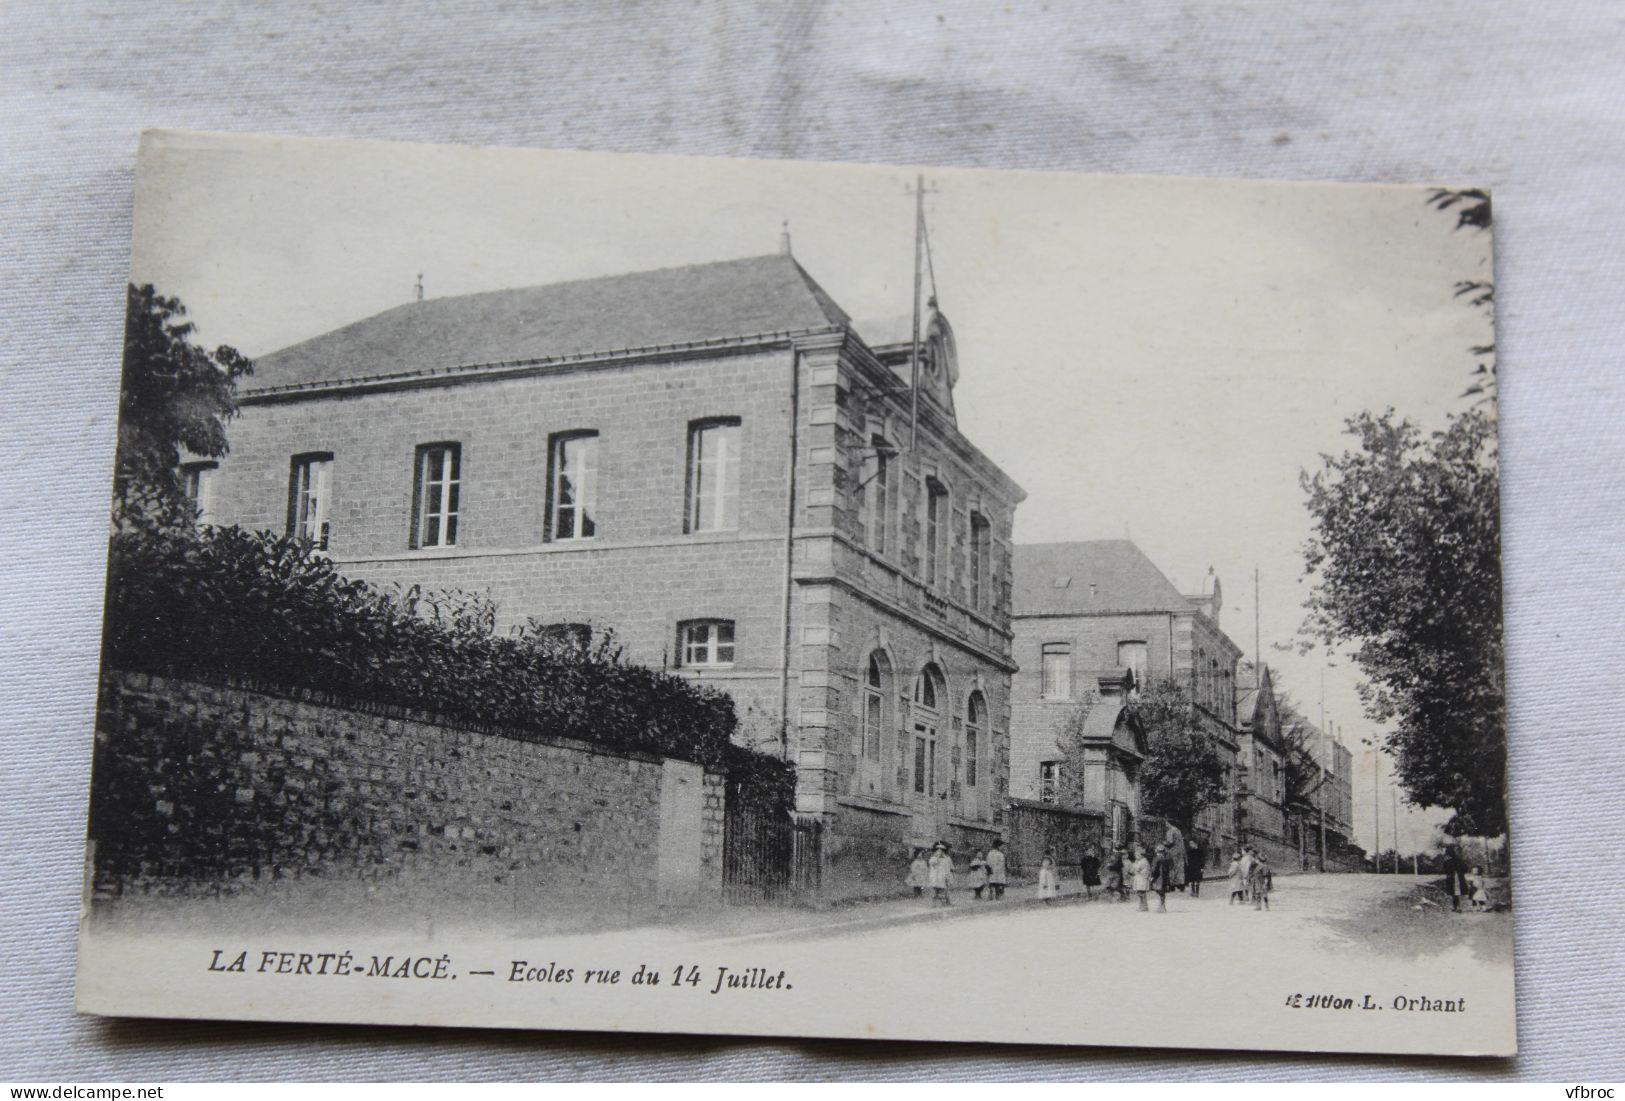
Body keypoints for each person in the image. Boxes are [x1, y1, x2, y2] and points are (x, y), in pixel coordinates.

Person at [1442, 845, 1470, 912]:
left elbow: (1445, 870)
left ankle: (1457, 907)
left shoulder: (1447, 861)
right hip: (1458, 877)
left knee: (1454, 893)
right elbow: (1465, 868)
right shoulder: (1459, 860)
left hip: (1453, 878)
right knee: (1457, 893)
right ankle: (1458, 907)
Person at [927, 840, 954, 907]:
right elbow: (931, 863)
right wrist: (937, 857)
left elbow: (947, 868)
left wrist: (948, 876)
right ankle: (933, 904)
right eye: (938, 850)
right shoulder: (933, 858)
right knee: (934, 891)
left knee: (943, 890)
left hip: (942, 877)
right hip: (935, 877)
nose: (940, 852)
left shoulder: (945, 859)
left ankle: (944, 903)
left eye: (941, 850)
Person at [1127, 843, 1152, 912]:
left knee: (1142, 893)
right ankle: (1142, 905)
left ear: (1141, 855)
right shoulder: (1139, 861)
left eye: (1137, 855)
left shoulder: (1143, 861)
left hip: (1142, 880)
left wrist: (1134, 865)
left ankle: (1144, 906)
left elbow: (1136, 868)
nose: (1136, 857)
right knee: (1139, 893)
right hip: (1139, 879)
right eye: (1135, 855)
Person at [1163, 822, 1186, 893]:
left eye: (1166, 824)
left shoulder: (1170, 831)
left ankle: (1171, 886)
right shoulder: (1178, 830)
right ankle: (1181, 885)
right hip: (1180, 851)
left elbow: (1170, 842)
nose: (1165, 826)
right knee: (1180, 869)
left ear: (1168, 824)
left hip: (1173, 852)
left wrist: (1163, 843)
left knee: (1172, 869)